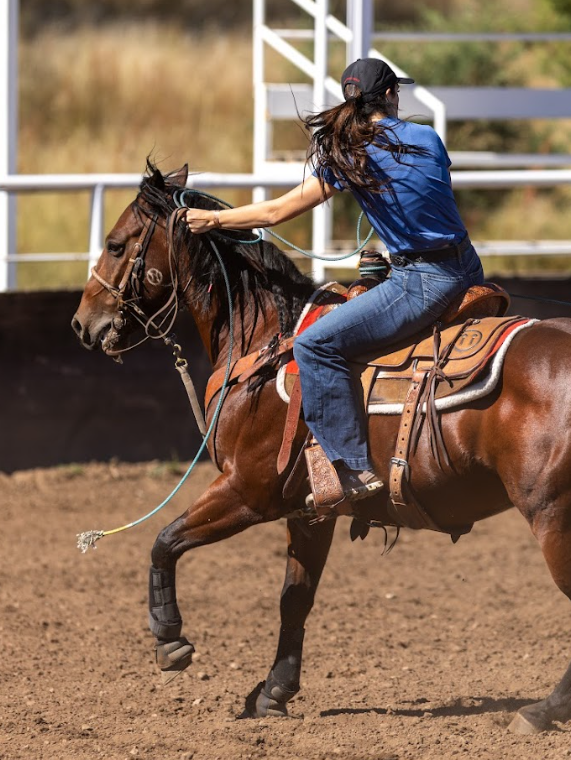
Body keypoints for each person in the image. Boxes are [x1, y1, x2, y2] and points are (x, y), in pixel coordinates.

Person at [183, 57, 485, 501]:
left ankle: (353, 468)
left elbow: (274, 212)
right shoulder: (428, 138)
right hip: (466, 267)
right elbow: (426, 201)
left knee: (313, 345)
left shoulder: (349, 157)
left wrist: (213, 220)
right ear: (390, 96)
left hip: (420, 282)